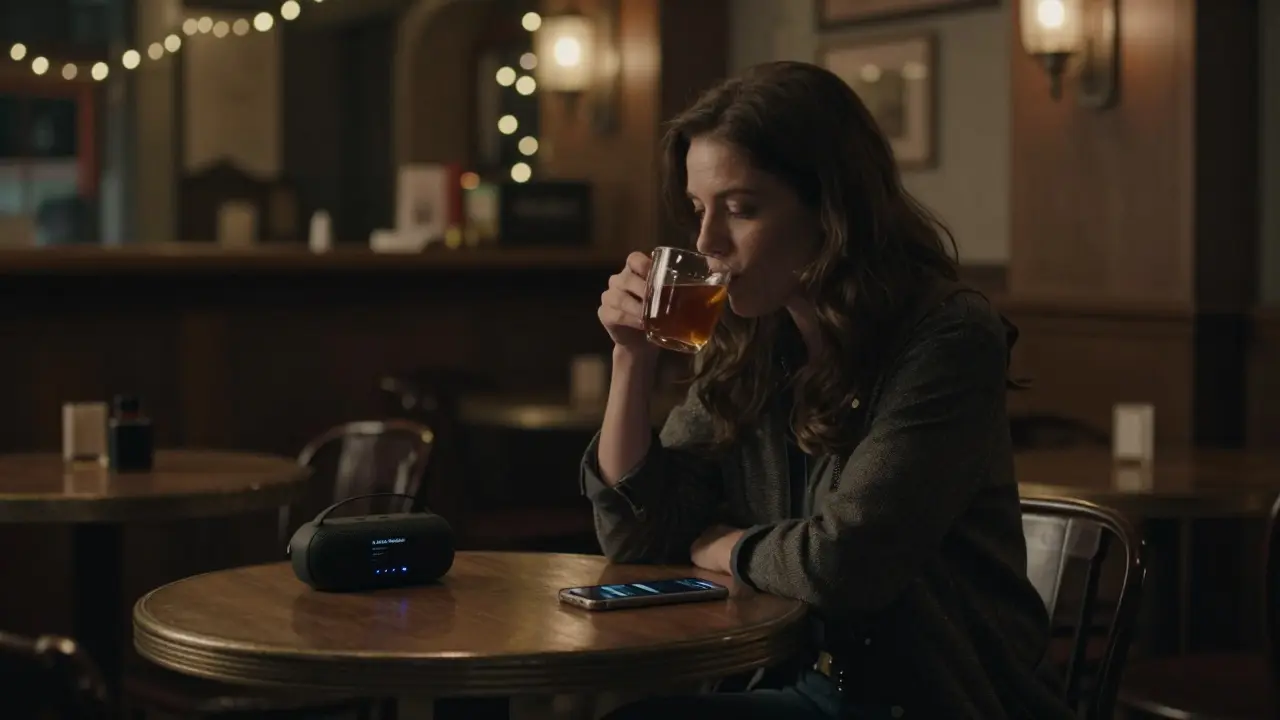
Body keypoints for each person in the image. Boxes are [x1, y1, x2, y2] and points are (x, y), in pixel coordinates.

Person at [580, 61, 1074, 719]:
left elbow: (846, 563)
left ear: (830, 207)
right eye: (699, 209)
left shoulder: (949, 335)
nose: (707, 242)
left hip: (920, 695)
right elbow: (637, 537)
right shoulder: (755, 336)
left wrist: (724, 546)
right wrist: (631, 361)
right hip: (789, 678)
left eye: (741, 208)